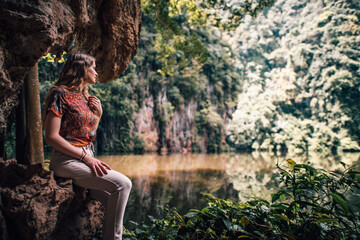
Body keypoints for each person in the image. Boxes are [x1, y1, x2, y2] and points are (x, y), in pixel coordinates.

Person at [43, 52, 132, 240]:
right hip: (67, 160)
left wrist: (98, 116)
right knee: (123, 184)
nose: (97, 73)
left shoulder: (85, 98)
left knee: (110, 202)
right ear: (82, 68)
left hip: (86, 157)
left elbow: (88, 136)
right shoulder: (60, 94)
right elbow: (51, 136)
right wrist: (85, 158)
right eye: (94, 67)